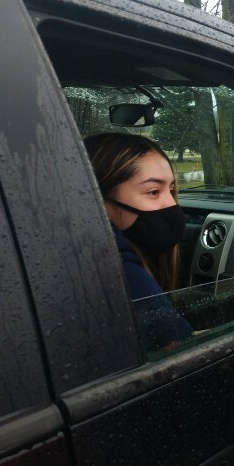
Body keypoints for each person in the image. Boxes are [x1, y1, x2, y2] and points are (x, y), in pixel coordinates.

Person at [83, 132, 192, 350]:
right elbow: (174, 351)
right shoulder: (118, 270)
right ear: (99, 199)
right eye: (153, 192)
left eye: (171, 190)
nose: (171, 204)